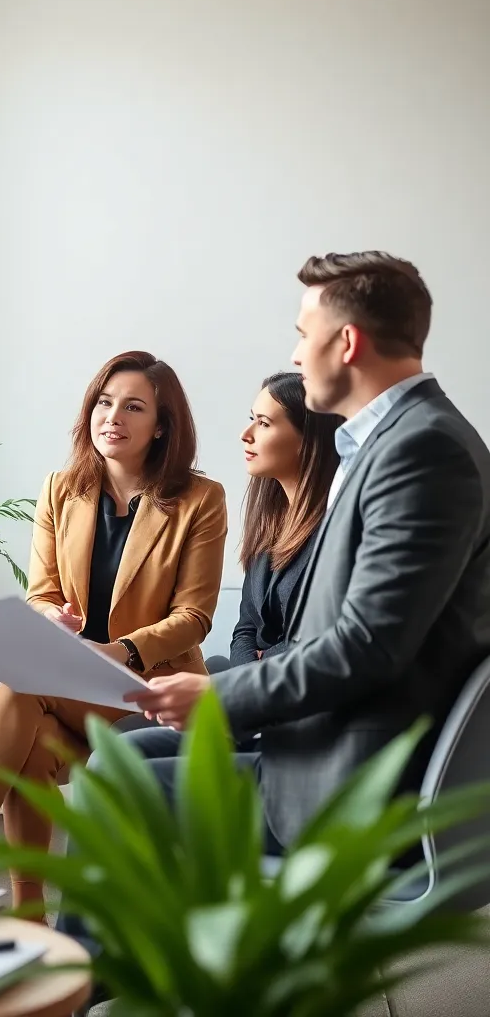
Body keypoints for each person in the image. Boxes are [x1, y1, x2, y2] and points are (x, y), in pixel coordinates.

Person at [122, 251, 490, 855]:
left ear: (347, 342)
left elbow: (367, 645)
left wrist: (219, 695)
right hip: (320, 746)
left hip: (352, 782)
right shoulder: (388, 444)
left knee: (118, 781)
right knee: (123, 757)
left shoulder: (423, 450)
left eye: (303, 334)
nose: (296, 355)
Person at [0, 350, 227, 915]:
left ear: (162, 426)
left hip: (149, 690)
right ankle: (31, 909)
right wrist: (52, 619)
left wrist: (120, 650)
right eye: (104, 403)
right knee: (31, 745)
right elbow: (41, 592)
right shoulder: (61, 489)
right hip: (71, 686)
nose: (113, 418)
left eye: (133, 407)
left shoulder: (201, 500)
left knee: (25, 682)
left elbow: (194, 617)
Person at [228, 370, 342, 665]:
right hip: (256, 681)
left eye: (263, 423)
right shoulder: (267, 521)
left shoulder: (338, 529)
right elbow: (246, 627)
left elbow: (324, 635)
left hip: (302, 682)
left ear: (307, 439)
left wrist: (259, 668)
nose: (246, 434)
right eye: (252, 418)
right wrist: (246, 671)